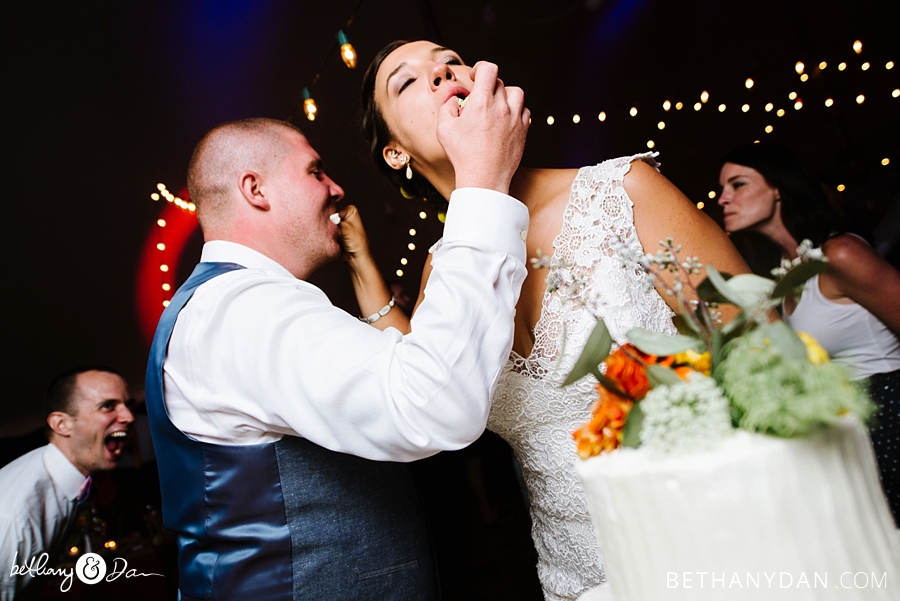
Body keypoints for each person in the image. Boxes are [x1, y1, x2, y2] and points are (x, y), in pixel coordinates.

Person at [352, 40, 751, 601]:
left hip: (714, 541)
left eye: (450, 61)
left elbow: (760, 341)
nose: (441, 74)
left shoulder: (622, 190)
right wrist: (359, 260)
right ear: (395, 152)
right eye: (409, 81)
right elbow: (425, 383)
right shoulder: (446, 269)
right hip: (578, 576)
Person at [145, 60, 531, 601]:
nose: (336, 186)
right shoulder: (239, 310)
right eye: (315, 171)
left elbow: (394, 368)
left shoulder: (233, 304)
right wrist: (483, 189)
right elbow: (431, 403)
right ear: (255, 189)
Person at [718, 142, 900, 524]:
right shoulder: (778, 281)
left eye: (738, 185)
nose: (723, 199)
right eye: (722, 188)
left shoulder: (840, 254)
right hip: (848, 428)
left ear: (779, 189)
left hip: (890, 409)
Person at [0, 367, 134, 600]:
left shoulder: (69, 479)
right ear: (62, 424)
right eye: (108, 406)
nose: (129, 417)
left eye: (127, 405)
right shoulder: (14, 517)